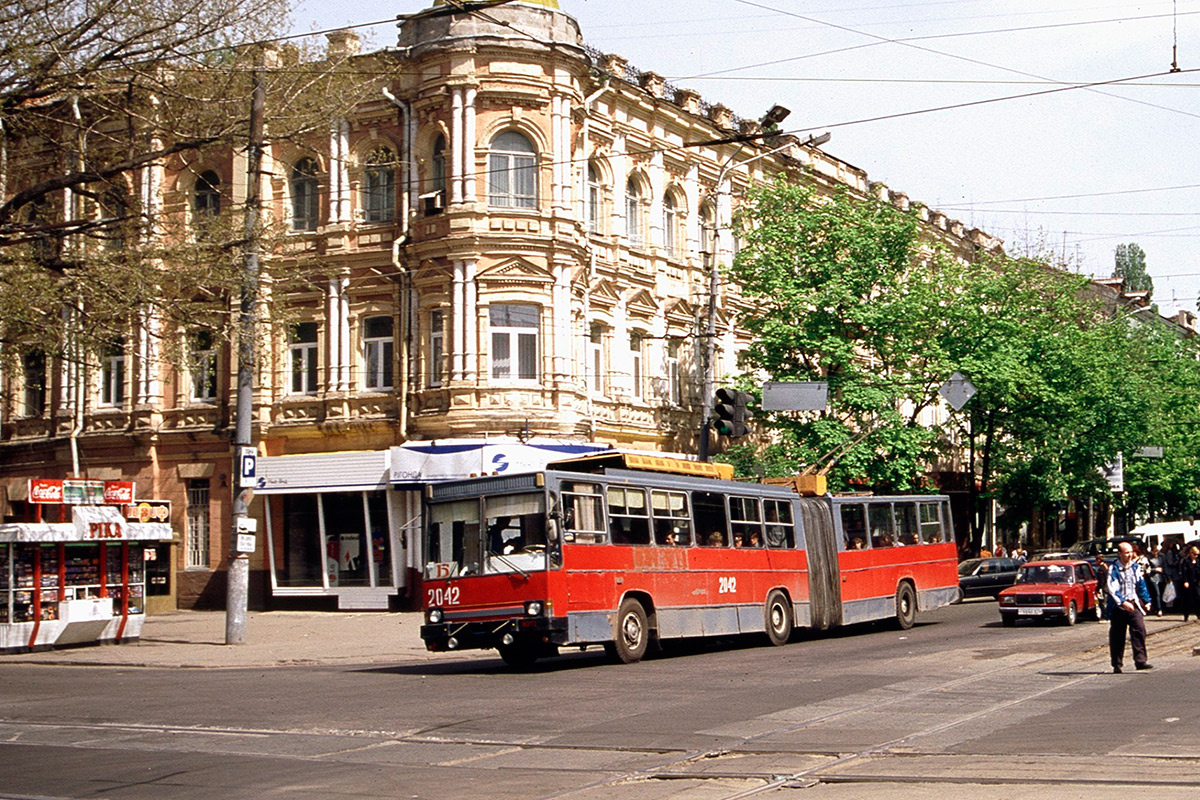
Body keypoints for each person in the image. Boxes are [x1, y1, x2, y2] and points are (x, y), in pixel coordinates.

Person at [1106, 541, 1153, 673]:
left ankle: (1140, 661)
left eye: (1131, 552)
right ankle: (1117, 664)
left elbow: (1141, 584)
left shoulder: (1134, 567)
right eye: (1127, 552)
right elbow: (1112, 588)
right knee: (1117, 635)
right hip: (1119, 607)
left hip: (1133, 603)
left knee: (1139, 629)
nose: (1130, 555)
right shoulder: (1113, 569)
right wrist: (1122, 602)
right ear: (1120, 554)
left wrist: (1146, 600)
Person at [1180, 545, 1200, 622]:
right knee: (1188, 599)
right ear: (1191, 553)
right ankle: (1186, 615)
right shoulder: (1186, 561)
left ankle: (1198, 613)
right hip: (1188, 581)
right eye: (1194, 554)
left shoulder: (1198, 561)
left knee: (1198, 597)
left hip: (1196, 581)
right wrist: (1185, 581)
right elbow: (1184, 572)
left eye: (1197, 555)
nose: (1196, 556)